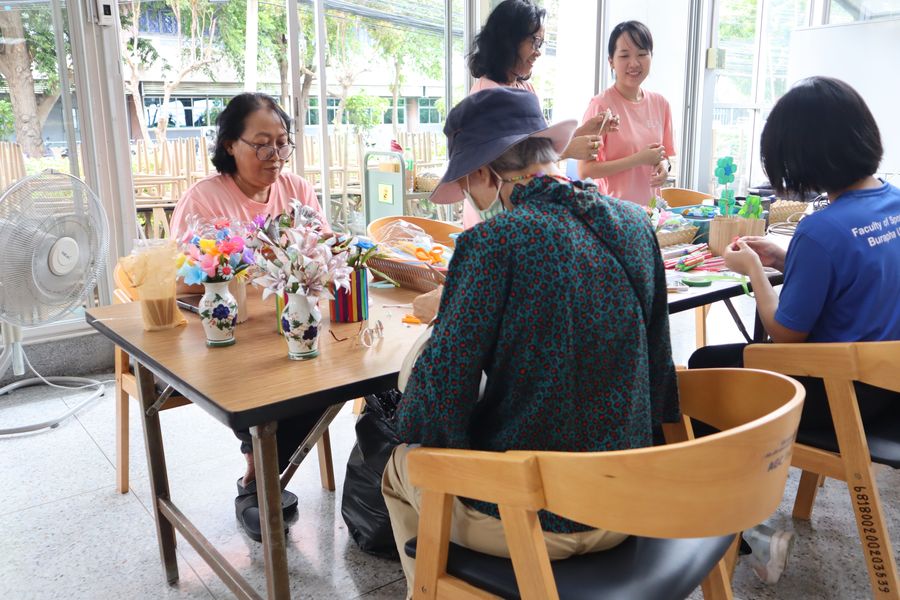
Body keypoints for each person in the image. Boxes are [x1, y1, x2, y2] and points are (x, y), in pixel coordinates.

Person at [381, 87, 680, 596]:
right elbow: (658, 372)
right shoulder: (634, 224)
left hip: (535, 518)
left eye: (466, 187)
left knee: (399, 465)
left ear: (483, 174)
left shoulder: (493, 243)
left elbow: (433, 408)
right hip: (631, 501)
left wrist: (443, 321)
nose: (471, 201)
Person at [691, 76, 900, 583]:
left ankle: (740, 534)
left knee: (700, 373)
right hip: (888, 388)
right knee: (723, 363)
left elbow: (784, 336)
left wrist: (755, 272)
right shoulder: (893, 203)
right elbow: (860, 275)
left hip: (839, 398)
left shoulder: (821, 229)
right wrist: (788, 259)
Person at [170, 92, 332, 542]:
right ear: (230, 144)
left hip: (289, 320)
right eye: (261, 144)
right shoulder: (205, 199)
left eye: (282, 143)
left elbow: (322, 251)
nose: (275, 155)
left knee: (330, 371)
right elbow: (183, 279)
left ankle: (258, 480)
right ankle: (258, 475)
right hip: (231, 330)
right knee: (261, 377)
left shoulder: (297, 190)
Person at [461, 0, 617, 229]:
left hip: (522, 208)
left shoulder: (525, 88)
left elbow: (536, 144)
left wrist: (584, 131)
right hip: (496, 214)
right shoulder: (487, 95)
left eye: (541, 42)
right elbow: (505, 164)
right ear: (509, 39)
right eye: (534, 41)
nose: (539, 52)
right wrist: (568, 150)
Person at [578, 20, 675, 206]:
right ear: (611, 62)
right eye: (624, 55)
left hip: (651, 214)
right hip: (614, 213)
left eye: (642, 54)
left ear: (651, 57)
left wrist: (664, 166)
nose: (634, 63)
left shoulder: (660, 104)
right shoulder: (600, 106)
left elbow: (663, 156)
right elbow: (585, 170)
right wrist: (637, 160)